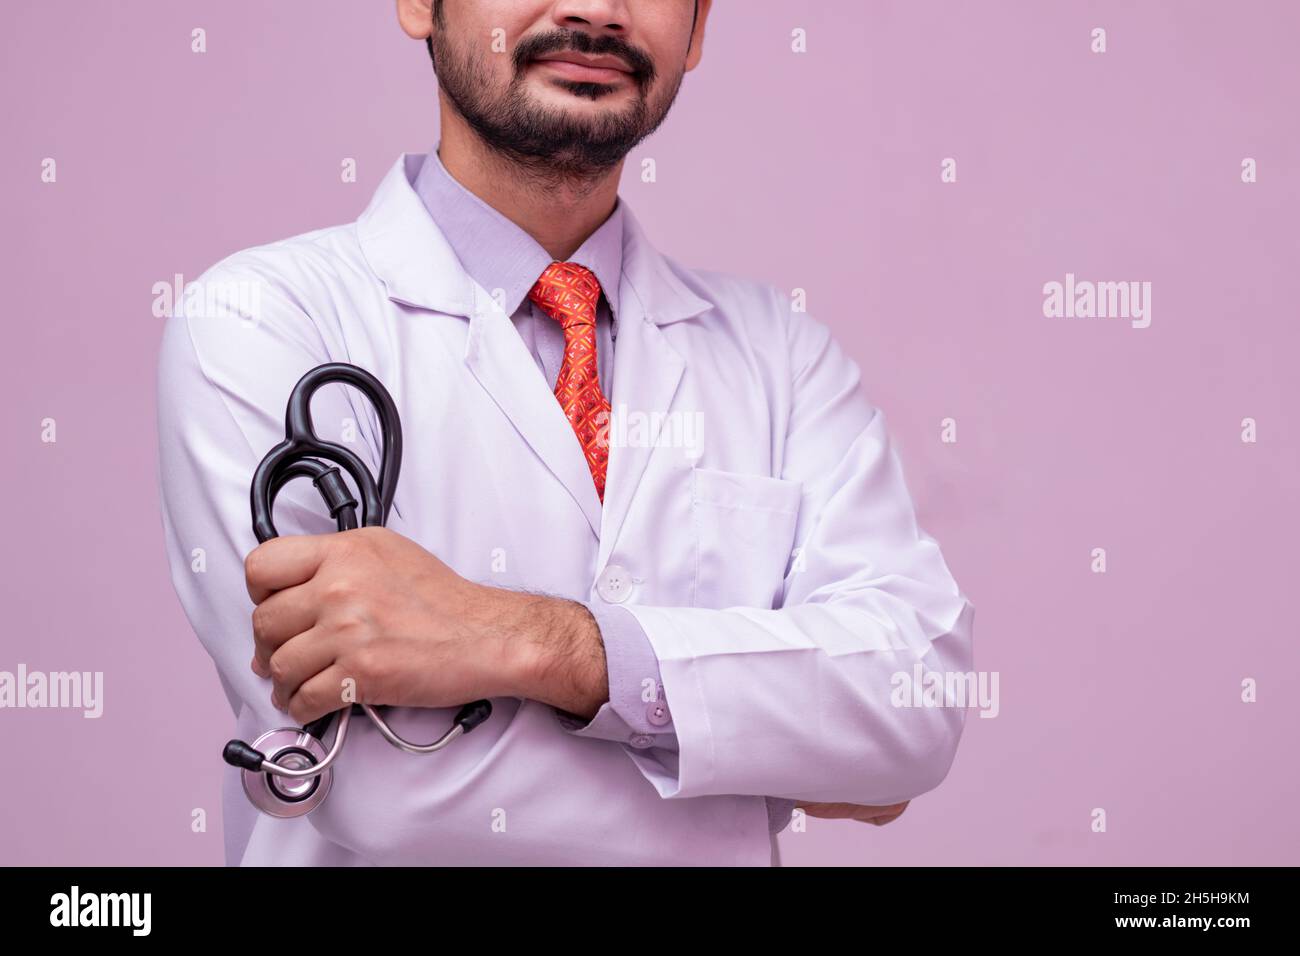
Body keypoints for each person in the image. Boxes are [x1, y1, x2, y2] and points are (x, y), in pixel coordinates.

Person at [156, 0, 974, 867]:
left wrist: (534, 643)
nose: (597, 8)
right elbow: (386, 800)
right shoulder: (258, 319)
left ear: (697, 30)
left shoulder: (781, 350)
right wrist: (751, 757)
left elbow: (912, 701)